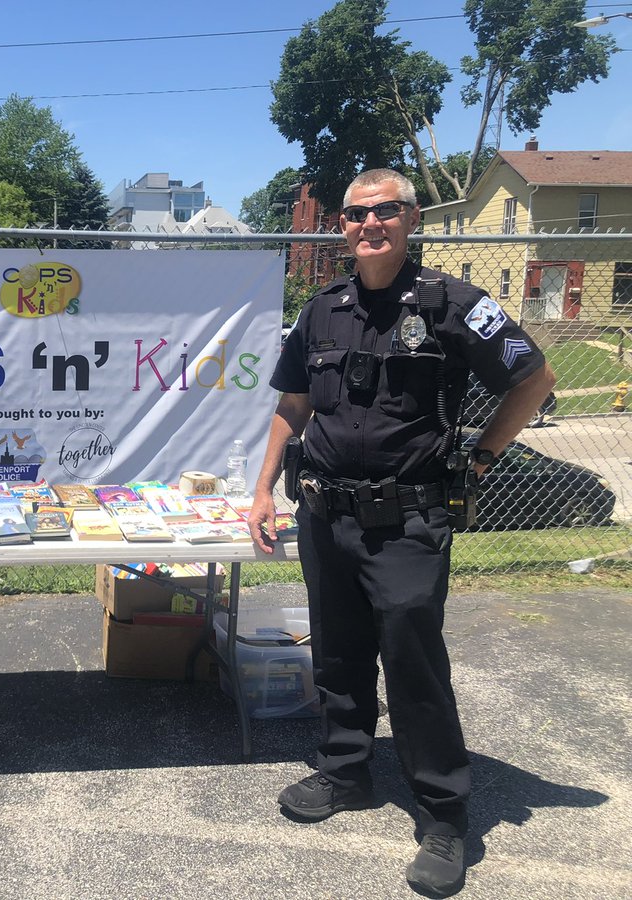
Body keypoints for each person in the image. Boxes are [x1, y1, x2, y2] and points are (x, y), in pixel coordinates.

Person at [248, 168, 555, 898]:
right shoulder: (321, 308)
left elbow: (534, 379)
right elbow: (293, 400)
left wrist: (480, 459)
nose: (369, 224)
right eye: (356, 214)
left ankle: (445, 813)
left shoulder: (455, 305)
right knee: (339, 653)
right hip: (324, 512)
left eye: (385, 211)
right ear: (342, 226)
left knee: (413, 664)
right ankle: (345, 771)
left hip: (409, 520)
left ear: (411, 219)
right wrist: (260, 489)